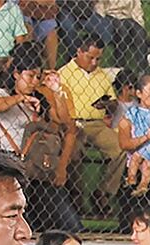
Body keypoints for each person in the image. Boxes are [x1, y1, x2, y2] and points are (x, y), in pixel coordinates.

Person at [0, 42, 81, 233]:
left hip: (39, 167)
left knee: (71, 224)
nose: (33, 81)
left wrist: (56, 91)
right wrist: (20, 98)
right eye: (29, 76)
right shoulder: (2, 94)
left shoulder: (41, 100)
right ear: (16, 74)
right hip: (13, 163)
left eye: (37, 77)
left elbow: (63, 120)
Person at [59, 35, 124, 216]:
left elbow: (113, 102)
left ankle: (103, 193)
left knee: (121, 148)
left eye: (98, 59)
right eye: (90, 57)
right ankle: (76, 197)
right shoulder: (64, 74)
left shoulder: (102, 75)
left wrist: (108, 105)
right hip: (73, 123)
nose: (95, 62)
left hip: (97, 124)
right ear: (79, 52)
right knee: (75, 150)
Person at [85, 0, 147, 70]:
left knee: (140, 32)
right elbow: (100, 6)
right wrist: (101, 20)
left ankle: (141, 70)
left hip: (127, 18)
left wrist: (140, 24)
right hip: (110, 16)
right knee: (122, 30)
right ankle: (119, 66)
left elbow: (137, 9)